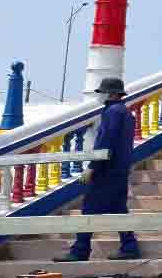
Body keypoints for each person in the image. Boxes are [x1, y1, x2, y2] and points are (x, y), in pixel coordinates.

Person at [55, 77, 141, 262]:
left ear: (110, 93)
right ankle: (129, 246)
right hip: (120, 169)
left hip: (106, 169)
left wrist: (92, 167)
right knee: (118, 210)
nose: (100, 96)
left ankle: (80, 250)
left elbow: (105, 142)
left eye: (102, 93)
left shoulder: (112, 112)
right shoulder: (126, 112)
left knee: (89, 208)